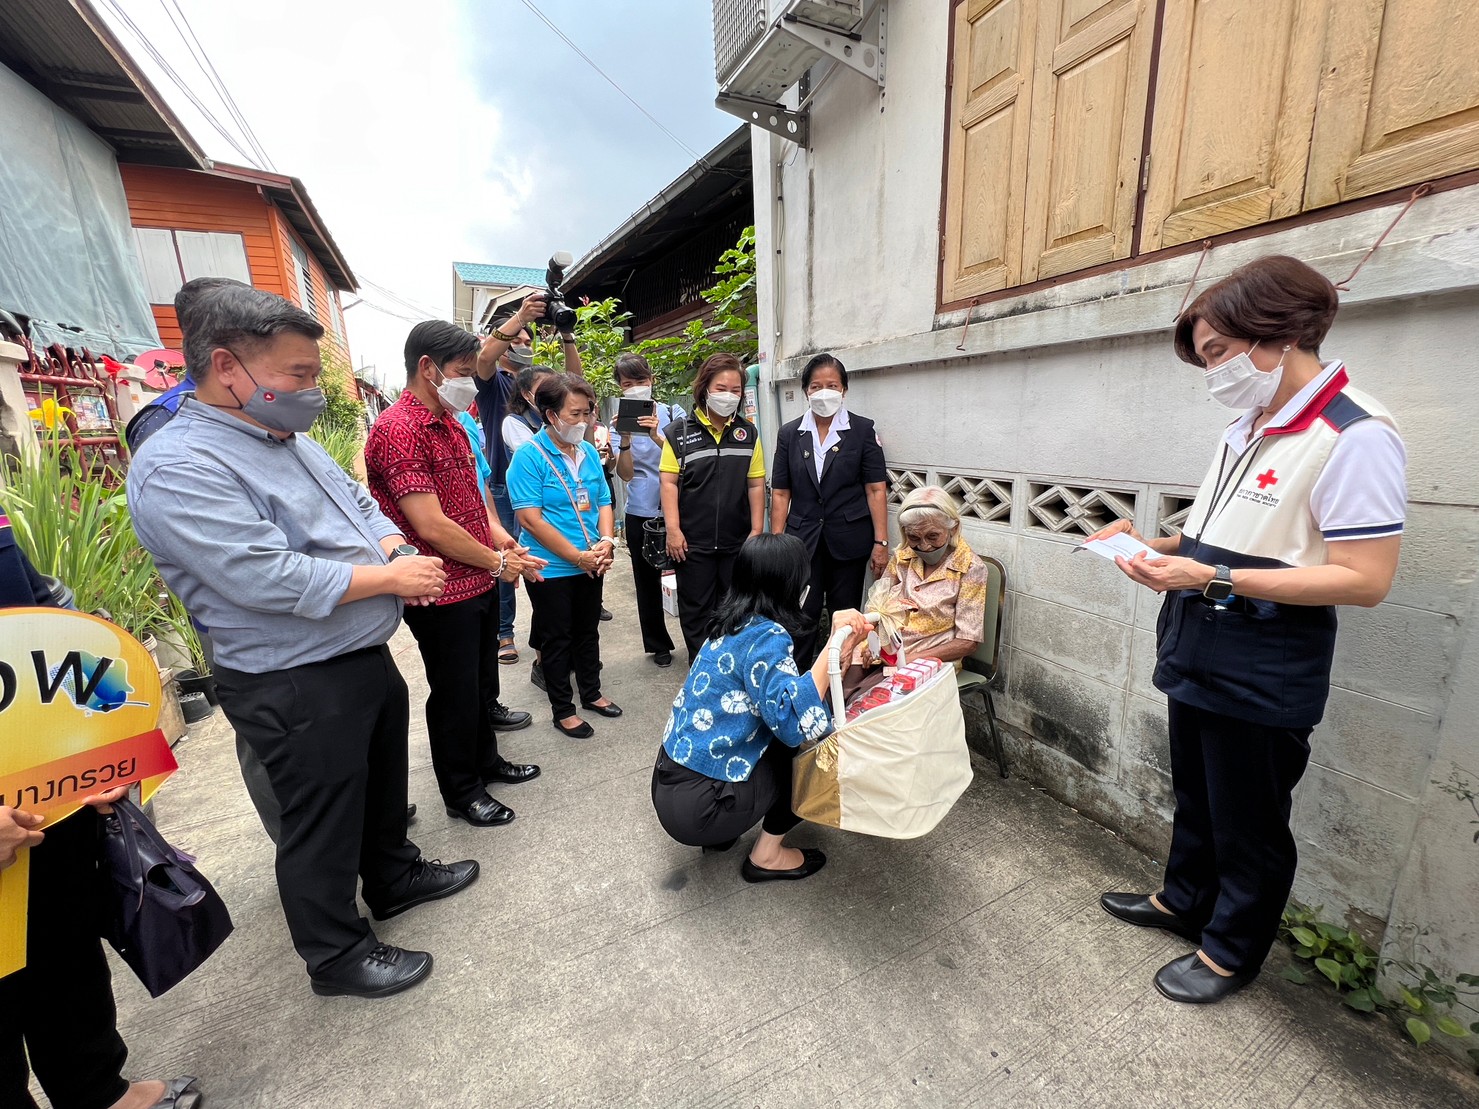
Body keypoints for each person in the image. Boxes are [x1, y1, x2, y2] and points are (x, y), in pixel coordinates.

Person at [128, 279, 479, 999]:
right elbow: (261, 575)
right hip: (291, 675)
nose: (311, 389)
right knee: (318, 818)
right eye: (298, 373)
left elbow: (354, 497)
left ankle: (393, 872)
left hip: (354, 654)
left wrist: (385, 540)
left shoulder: (280, 436)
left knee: (379, 784)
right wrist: (388, 579)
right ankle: (336, 951)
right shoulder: (179, 464)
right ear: (229, 366)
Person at [1094, 255, 1407, 1005]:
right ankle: (1182, 900)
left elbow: (1365, 579)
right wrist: (1158, 547)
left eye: (1217, 354)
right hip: (1197, 639)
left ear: (1278, 334)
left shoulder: (1354, 432)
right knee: (1198, 796)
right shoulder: (1247, 426)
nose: (1213, 374)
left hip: (1263, 657)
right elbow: (1229, 534)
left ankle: (1230, 951)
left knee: (1251, 821)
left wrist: (1212, 577)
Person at [0, 525, 202, 1109]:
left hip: (43, 788)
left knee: (64, 950)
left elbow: (48, 620)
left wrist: (105, 738)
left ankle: (98, 1092)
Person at [364, 321, 548, 829]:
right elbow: (430, 525)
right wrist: (497, 561)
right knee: (454, 691)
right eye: (463, 373)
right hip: (441, 587)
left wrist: (499, 536)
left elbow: (475, 494)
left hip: (479, 576)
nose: (470, 382)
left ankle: (486, 762)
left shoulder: (450, 419)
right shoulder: (398, 430)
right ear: (428, 368)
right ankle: (461, 789)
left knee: (481, 682)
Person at [651, 533, 870, 882]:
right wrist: (832, 646)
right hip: (700, 808)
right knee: (809, 758)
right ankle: (766, 855)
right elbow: (796, 721)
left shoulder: (728, 626)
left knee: (774, 732)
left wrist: (835, 656)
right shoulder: (769, 637)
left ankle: (721, 834)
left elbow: (778, 698)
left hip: (671, 786)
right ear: (790, 585)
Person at [506, 372, 621, 738]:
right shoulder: (528, 457)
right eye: (574, 414)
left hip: (591, 560)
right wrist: (577, 557)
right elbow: (531, 520)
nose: (583, 422)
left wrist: (606, 540)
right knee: (557, 640)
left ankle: (592, 693)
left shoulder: (586, 451)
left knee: (588, 632)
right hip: (552, 566)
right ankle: (563, 709)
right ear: (549, 413)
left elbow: (603, 499)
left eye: (587, 413)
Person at [475, 297, 585, 677]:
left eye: (527, 338)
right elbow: (485, 359)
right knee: (513, 558)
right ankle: (505, 632)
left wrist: (568, 336)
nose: (524, 343)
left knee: (546, 567)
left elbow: (576, 386)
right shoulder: (496, 386)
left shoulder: (543, 384)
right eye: (517, 339)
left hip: (554, 487)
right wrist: (520, 316)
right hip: (507, 489)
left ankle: (548, 640)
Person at [770, 353, 889, 664]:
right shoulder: (790, 433)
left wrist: (881, 542)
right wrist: (777, 543)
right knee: (800, 615)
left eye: (832, 385)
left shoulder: (862, 431)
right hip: (802, 542)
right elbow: (781, 492)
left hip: (849, 541)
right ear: (806, 390)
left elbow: (876, 489)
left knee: (845, 615)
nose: (824, 392)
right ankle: (797, 684)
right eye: (816, 386)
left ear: (844, 390)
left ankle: (839, 685)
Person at [659, 353, 766, 662]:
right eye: (721, 388)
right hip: (692, 542)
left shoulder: (748, 434)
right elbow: (668, 484)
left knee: (736, 607)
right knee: (696, 609)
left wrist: (756, 531)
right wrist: (674, 530)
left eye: (735, 390)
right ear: (705, 388)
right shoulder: (678, 433)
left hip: (737, 542)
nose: (729, 396)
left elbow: (756, 484)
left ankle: (730, 666)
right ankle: (701, 665)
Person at [843, 485, 988, 697]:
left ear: (953, 529)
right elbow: (876, 609)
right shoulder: (902, 557)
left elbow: (967, 642)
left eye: (933, 536)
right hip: (883, 650)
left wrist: (908, 658)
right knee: (836, 687)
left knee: (866, 702)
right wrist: (865, 641)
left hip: (928, 658)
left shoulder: (970, 568)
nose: (924, 547)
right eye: (914, 538)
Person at [610, 352, 682, 668]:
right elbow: (625, 474)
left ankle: (697, 637)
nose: (636, 388)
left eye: (641, 381)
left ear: (651, 381)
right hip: (640, 509)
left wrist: (655, 435)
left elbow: (682, 460)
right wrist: (625, 440)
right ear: (621, 388)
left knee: (690, 575)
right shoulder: (617, 425)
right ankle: (658, 644)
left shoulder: (673, 413)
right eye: (628, 383)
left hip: (677, 509)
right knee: (646, 580)